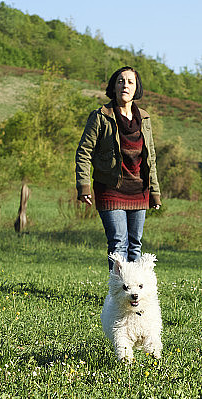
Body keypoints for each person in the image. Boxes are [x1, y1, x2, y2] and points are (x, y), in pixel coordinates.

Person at [75, 66, 161, 270]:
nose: (125, 85)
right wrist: (84, 185)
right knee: (118, 244)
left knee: (135, 247)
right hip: (110, 188)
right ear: (113, 86)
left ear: (136, 88)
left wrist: (154, 192)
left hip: (139, 191)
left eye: (130, 81)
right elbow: (84, 152)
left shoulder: (145, 118)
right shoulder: (100, 116)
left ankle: (133, 295)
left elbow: (151, 158)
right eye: (121, 81)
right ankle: (117, 295)